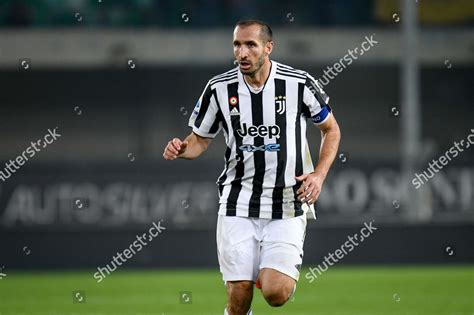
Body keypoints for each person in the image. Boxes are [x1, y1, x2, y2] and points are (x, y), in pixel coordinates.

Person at [163, 19, 341, 315]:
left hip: (287, 202)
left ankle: (265, 269)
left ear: (268, 48)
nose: (242, 53)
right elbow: (199, 140)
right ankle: (249, 271)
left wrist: (319, 175)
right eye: (237, 45)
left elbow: (331, 129)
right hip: (237, 201)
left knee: (275, 292)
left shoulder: (298, 83)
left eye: (250, 45)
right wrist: (181, 148)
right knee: (239, 294)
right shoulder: (219, 88)